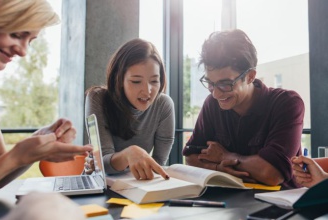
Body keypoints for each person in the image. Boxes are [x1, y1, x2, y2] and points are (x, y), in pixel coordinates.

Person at [0, 0, 93, 200]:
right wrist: (15, 157)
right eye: (16, 35)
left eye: (30, 41)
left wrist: (35, 146)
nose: (23, 51)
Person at [183, 29, 305, 188]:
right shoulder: (212, 104)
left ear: (251, 76)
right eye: (210, 84)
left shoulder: (287, 104)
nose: (216, 94)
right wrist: (217, 168)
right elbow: (191, 157)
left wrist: (224, 156)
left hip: (279, 202)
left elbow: (272, 174)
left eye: (225, 84)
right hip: (226, 201)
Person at [85, 38, 175, 180]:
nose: (147, 91)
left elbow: (158, 166)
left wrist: (124, 159)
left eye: (154, 81)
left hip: (136, 186)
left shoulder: (164, 105)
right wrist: (129, 154)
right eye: (136, 81)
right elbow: (102, 165)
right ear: (119, 79)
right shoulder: (98, 98)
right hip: (101, 187)